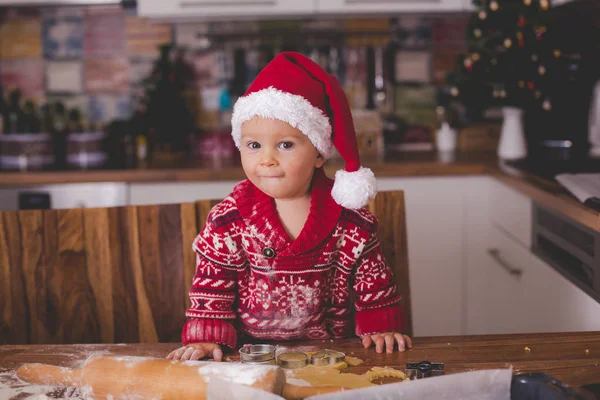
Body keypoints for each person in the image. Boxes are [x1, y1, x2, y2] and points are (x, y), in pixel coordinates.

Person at [167, 52, 412, 362]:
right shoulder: (227, 222)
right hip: (249, 357)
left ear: (319, 154)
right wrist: (206, 337)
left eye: (285, 144)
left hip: (330, 356)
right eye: (254, 145)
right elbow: (211, 286)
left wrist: (380, 325)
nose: (267, 159)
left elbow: (373, 279)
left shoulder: (351, 223)